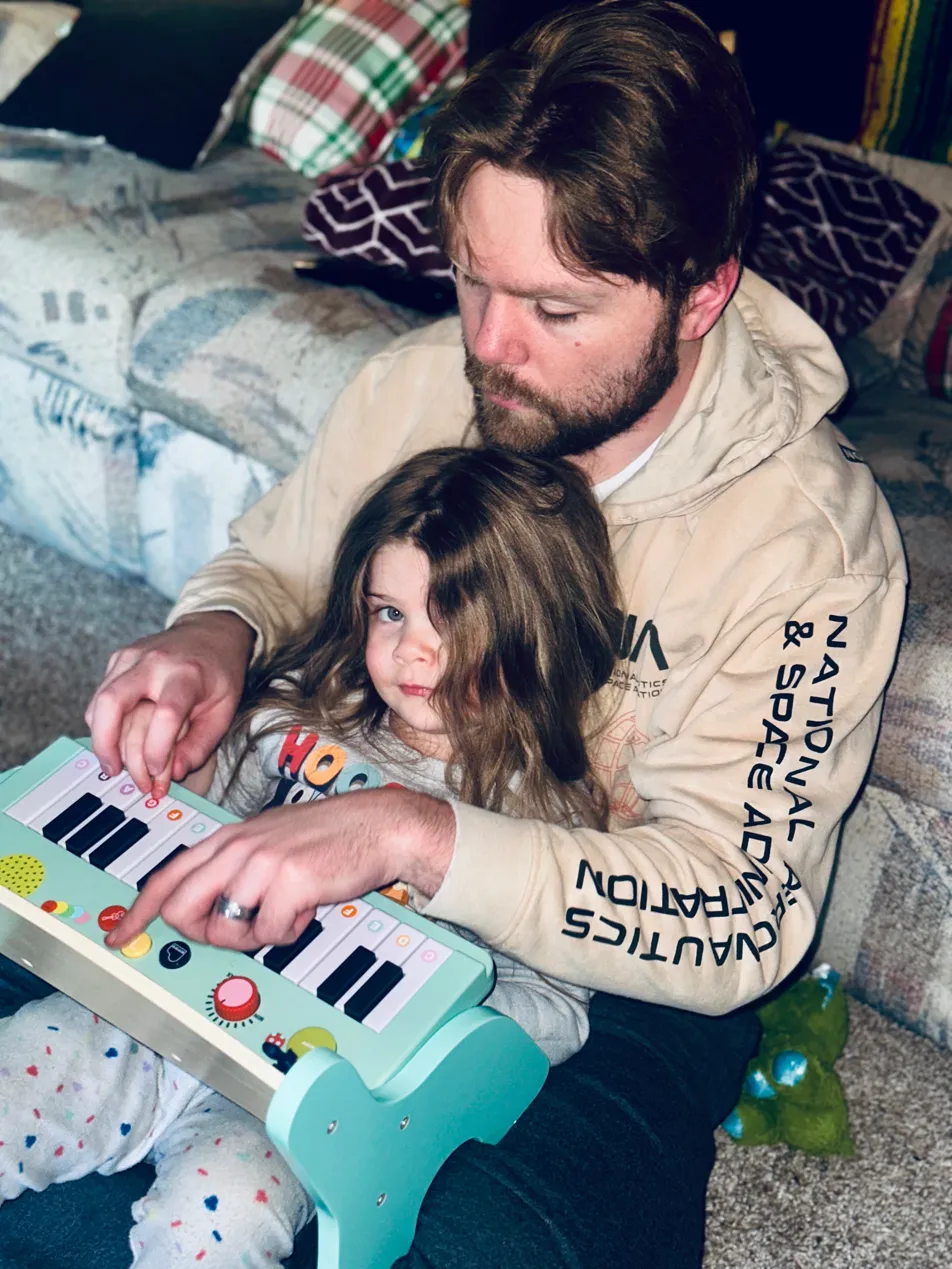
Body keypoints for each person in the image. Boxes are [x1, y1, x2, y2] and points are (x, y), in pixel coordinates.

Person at [2, 2, 906, 1267]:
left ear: (700, 292)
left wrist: (415, 841)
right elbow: (275, 563)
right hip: (316, 808)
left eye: (554, 308)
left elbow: (738, 917)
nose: (489, 348)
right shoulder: (420, 381)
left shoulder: (809, 544)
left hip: (596, 972)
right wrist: (211, 633)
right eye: (473, 278)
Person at [0, 447, 620, 1267]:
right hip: (146, 1013)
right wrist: (176, 763)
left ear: (534, 626)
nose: (412, 652)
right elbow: (201, 813)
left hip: (293, 1102)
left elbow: (559, 1006)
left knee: (215, 1227)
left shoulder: (543, 814)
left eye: (451, 616)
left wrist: (428, 1032)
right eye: (389, 612)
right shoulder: (307, 705)